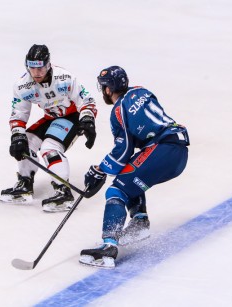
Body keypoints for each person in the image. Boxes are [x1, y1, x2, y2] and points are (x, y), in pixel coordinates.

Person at [79, 66, 190, 268]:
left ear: (107, 90)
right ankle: (139, 221)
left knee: (116, 190)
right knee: (128, 175)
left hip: (163, 149)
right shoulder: (142, 90)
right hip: (178, 150)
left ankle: (108, 248)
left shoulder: (118, 111)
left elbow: (123, 151)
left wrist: (100, 170)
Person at [0, 44, 97, 213]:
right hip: (51, 118)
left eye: (41, 68)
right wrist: (17, 135)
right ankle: (25, 183)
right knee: (25, 141)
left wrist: (88, 120)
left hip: (71, 117)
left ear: (48, 65)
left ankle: (63, 190)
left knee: (49, 148)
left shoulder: (65, 78)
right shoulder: (22, 86)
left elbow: (86, 101)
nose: (36, 73)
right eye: (32, 67)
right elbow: (18, 114)